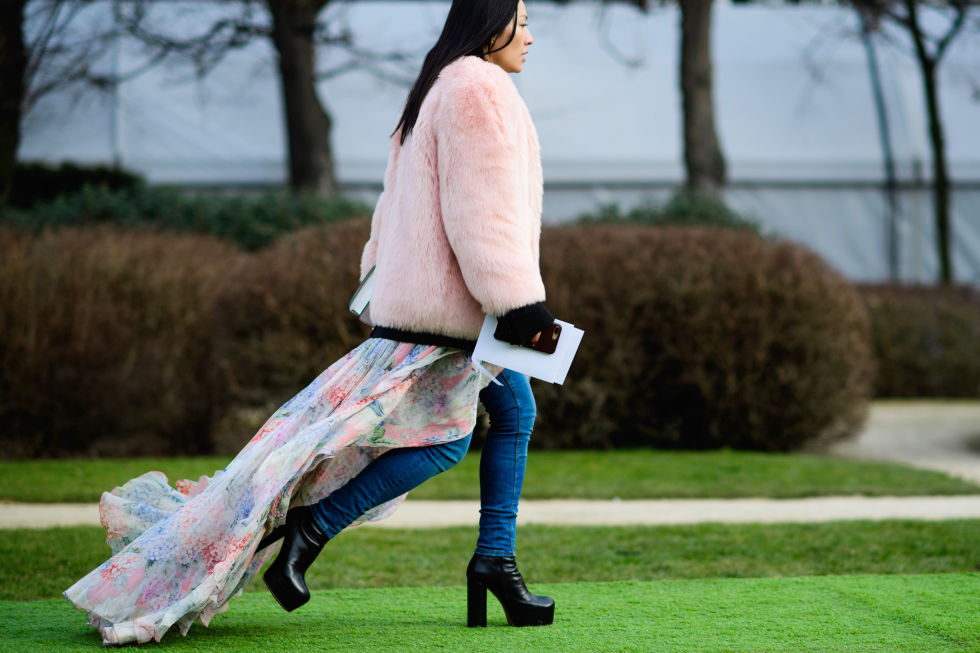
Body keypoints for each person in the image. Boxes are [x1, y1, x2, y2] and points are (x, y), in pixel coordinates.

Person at [64, 0, 555, 645]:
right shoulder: (476, 87)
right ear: (491, 22)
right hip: (455, 315)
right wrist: (519, 304)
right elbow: (481, 212)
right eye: (521, 19)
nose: (530, 34)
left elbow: (391, 211)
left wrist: (381, 286)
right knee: (446, 439)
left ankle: (495, 560)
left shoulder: (436, 85)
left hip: (432, 309)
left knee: (512, 410)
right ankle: (316, 529)